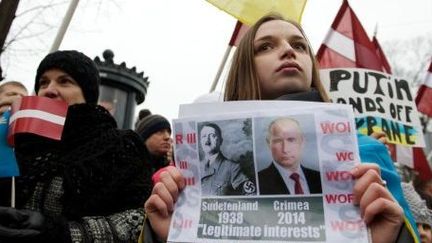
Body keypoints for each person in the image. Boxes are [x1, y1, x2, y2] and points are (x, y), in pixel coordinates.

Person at [143, 13, 413, 243]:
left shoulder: (367, 152)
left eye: (300, 45)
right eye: (265, 47)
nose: (288, 50)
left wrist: (391, 237)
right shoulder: (191, 170)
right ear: (243, 68)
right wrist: (170, 236)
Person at [0, 50, 152, 242]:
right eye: (43, 82)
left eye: (64, 81)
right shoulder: (17, 141)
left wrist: (62, 233)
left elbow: (139, 218)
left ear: (87, 93)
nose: (49, 90)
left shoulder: (120, 145)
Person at [259, 117, 321, 195]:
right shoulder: (256, 183)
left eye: (291, 140)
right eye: (278, 141)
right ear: (269, 144)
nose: (285, 149)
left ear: (302, 142)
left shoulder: (320, 179)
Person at [199, 122, 255, 196]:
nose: (207, 140)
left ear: (221, 141)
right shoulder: (197, 167)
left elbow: (251, 195)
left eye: (212, 136)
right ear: (200, 141)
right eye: (204, 136)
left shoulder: (232, 168)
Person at [135, 109, 173, 174]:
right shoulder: (130, 170)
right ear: (145, 138)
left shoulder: (175, 168)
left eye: (169, 132)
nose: (167, 137)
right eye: (160, 132)